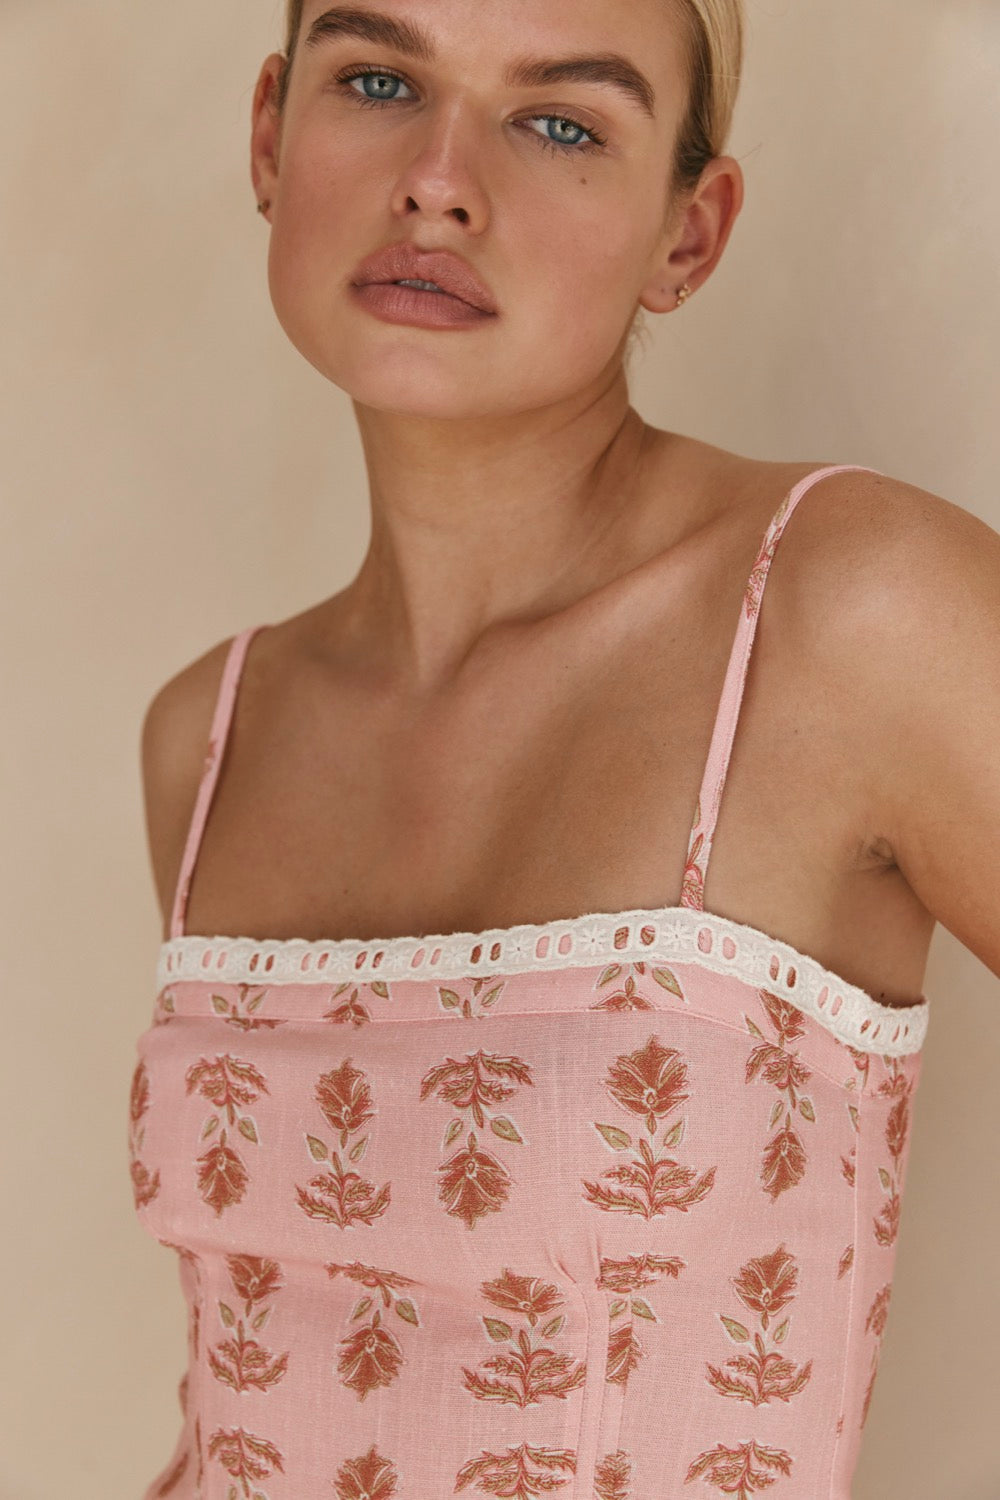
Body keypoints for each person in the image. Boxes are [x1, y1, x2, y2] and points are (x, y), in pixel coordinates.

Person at [129, 3, 1000, 1497]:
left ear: (689, 231)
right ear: (270, 134)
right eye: (378, 80)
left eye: (559, 123)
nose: (438, 180)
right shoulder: (209, 737)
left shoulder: (851, 609)